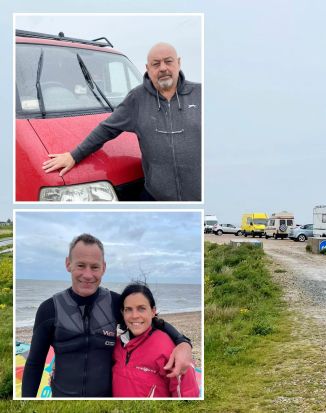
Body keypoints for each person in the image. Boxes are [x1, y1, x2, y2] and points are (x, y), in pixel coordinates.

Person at [21, 233, 193, 397]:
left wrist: (183, 343)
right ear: (68, 264)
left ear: (103, 268)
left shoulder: (114, 303)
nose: (88, 275)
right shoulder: (49, 309)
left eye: (95, 267)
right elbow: (35, 364)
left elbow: (150, 322)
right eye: (81, 265)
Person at [41, 42, 201, 201]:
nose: (163, 68)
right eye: (156, 64)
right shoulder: (137, 99)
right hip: (156, 198)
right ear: (148, 69)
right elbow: (106, 129)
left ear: (178, 63)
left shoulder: (200, 94)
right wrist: (74, 155)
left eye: (168, 61)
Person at [113, 283, 199, 398]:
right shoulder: (117, 345)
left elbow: (187, 398)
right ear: (123, 313)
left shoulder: (171, 350)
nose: (134, 315)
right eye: (128, 309)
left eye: (141, 308)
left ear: (153, 311)